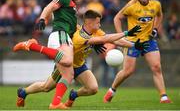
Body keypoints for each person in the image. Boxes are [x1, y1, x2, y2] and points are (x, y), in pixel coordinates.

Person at [13, 10, 148, 108]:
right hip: (66, 64)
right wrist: (126, 33)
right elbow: (105, 39)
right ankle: (23, 92)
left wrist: (134, 44)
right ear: (89, 22)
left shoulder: (95, 31)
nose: (100, 25)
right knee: (46, 87)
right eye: (98, 22)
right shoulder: (80, 36)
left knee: (93, 88)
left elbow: (114, 41)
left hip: (79, 65)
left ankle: (73, 95)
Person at [14, 0, 86, 109]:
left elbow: (73, 25)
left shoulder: (71, 4)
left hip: (64, 39)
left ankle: (23, 92)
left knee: (49, 85)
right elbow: (50, 6)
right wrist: (42, 18)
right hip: (61, 36)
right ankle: (31, 46)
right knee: (68, 61)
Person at [103, 0, 172, 104]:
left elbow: (160, 16)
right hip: (133, 42)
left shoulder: (156, 4)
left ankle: (163, 96)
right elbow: (117, 18)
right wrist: (121, 37)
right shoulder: (131, 5)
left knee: (156, 67)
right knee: (128, 71)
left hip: (148, 41)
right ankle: (112, 90)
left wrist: (155, 29)